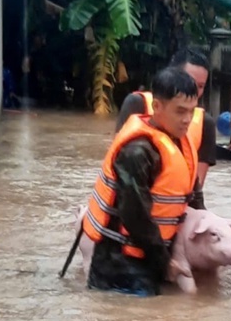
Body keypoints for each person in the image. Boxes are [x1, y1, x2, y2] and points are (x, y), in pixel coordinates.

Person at [82, 67, 199, 297]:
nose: (187, 120)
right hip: (119, 266)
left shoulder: (179, 143)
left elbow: (192, 198)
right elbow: (136, 217)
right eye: (180, 111)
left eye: (192, 112)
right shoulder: (137, 153)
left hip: (147, 259)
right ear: (157, 107)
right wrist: (164, 263)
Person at [114, 48, 216, 209]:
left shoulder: (206, 123)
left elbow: (195, 187)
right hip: (134, 206)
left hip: (173, 210)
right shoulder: (137, 104)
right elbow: (122, 165)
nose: (193, 90)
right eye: (188, 81)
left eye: (201, 86)